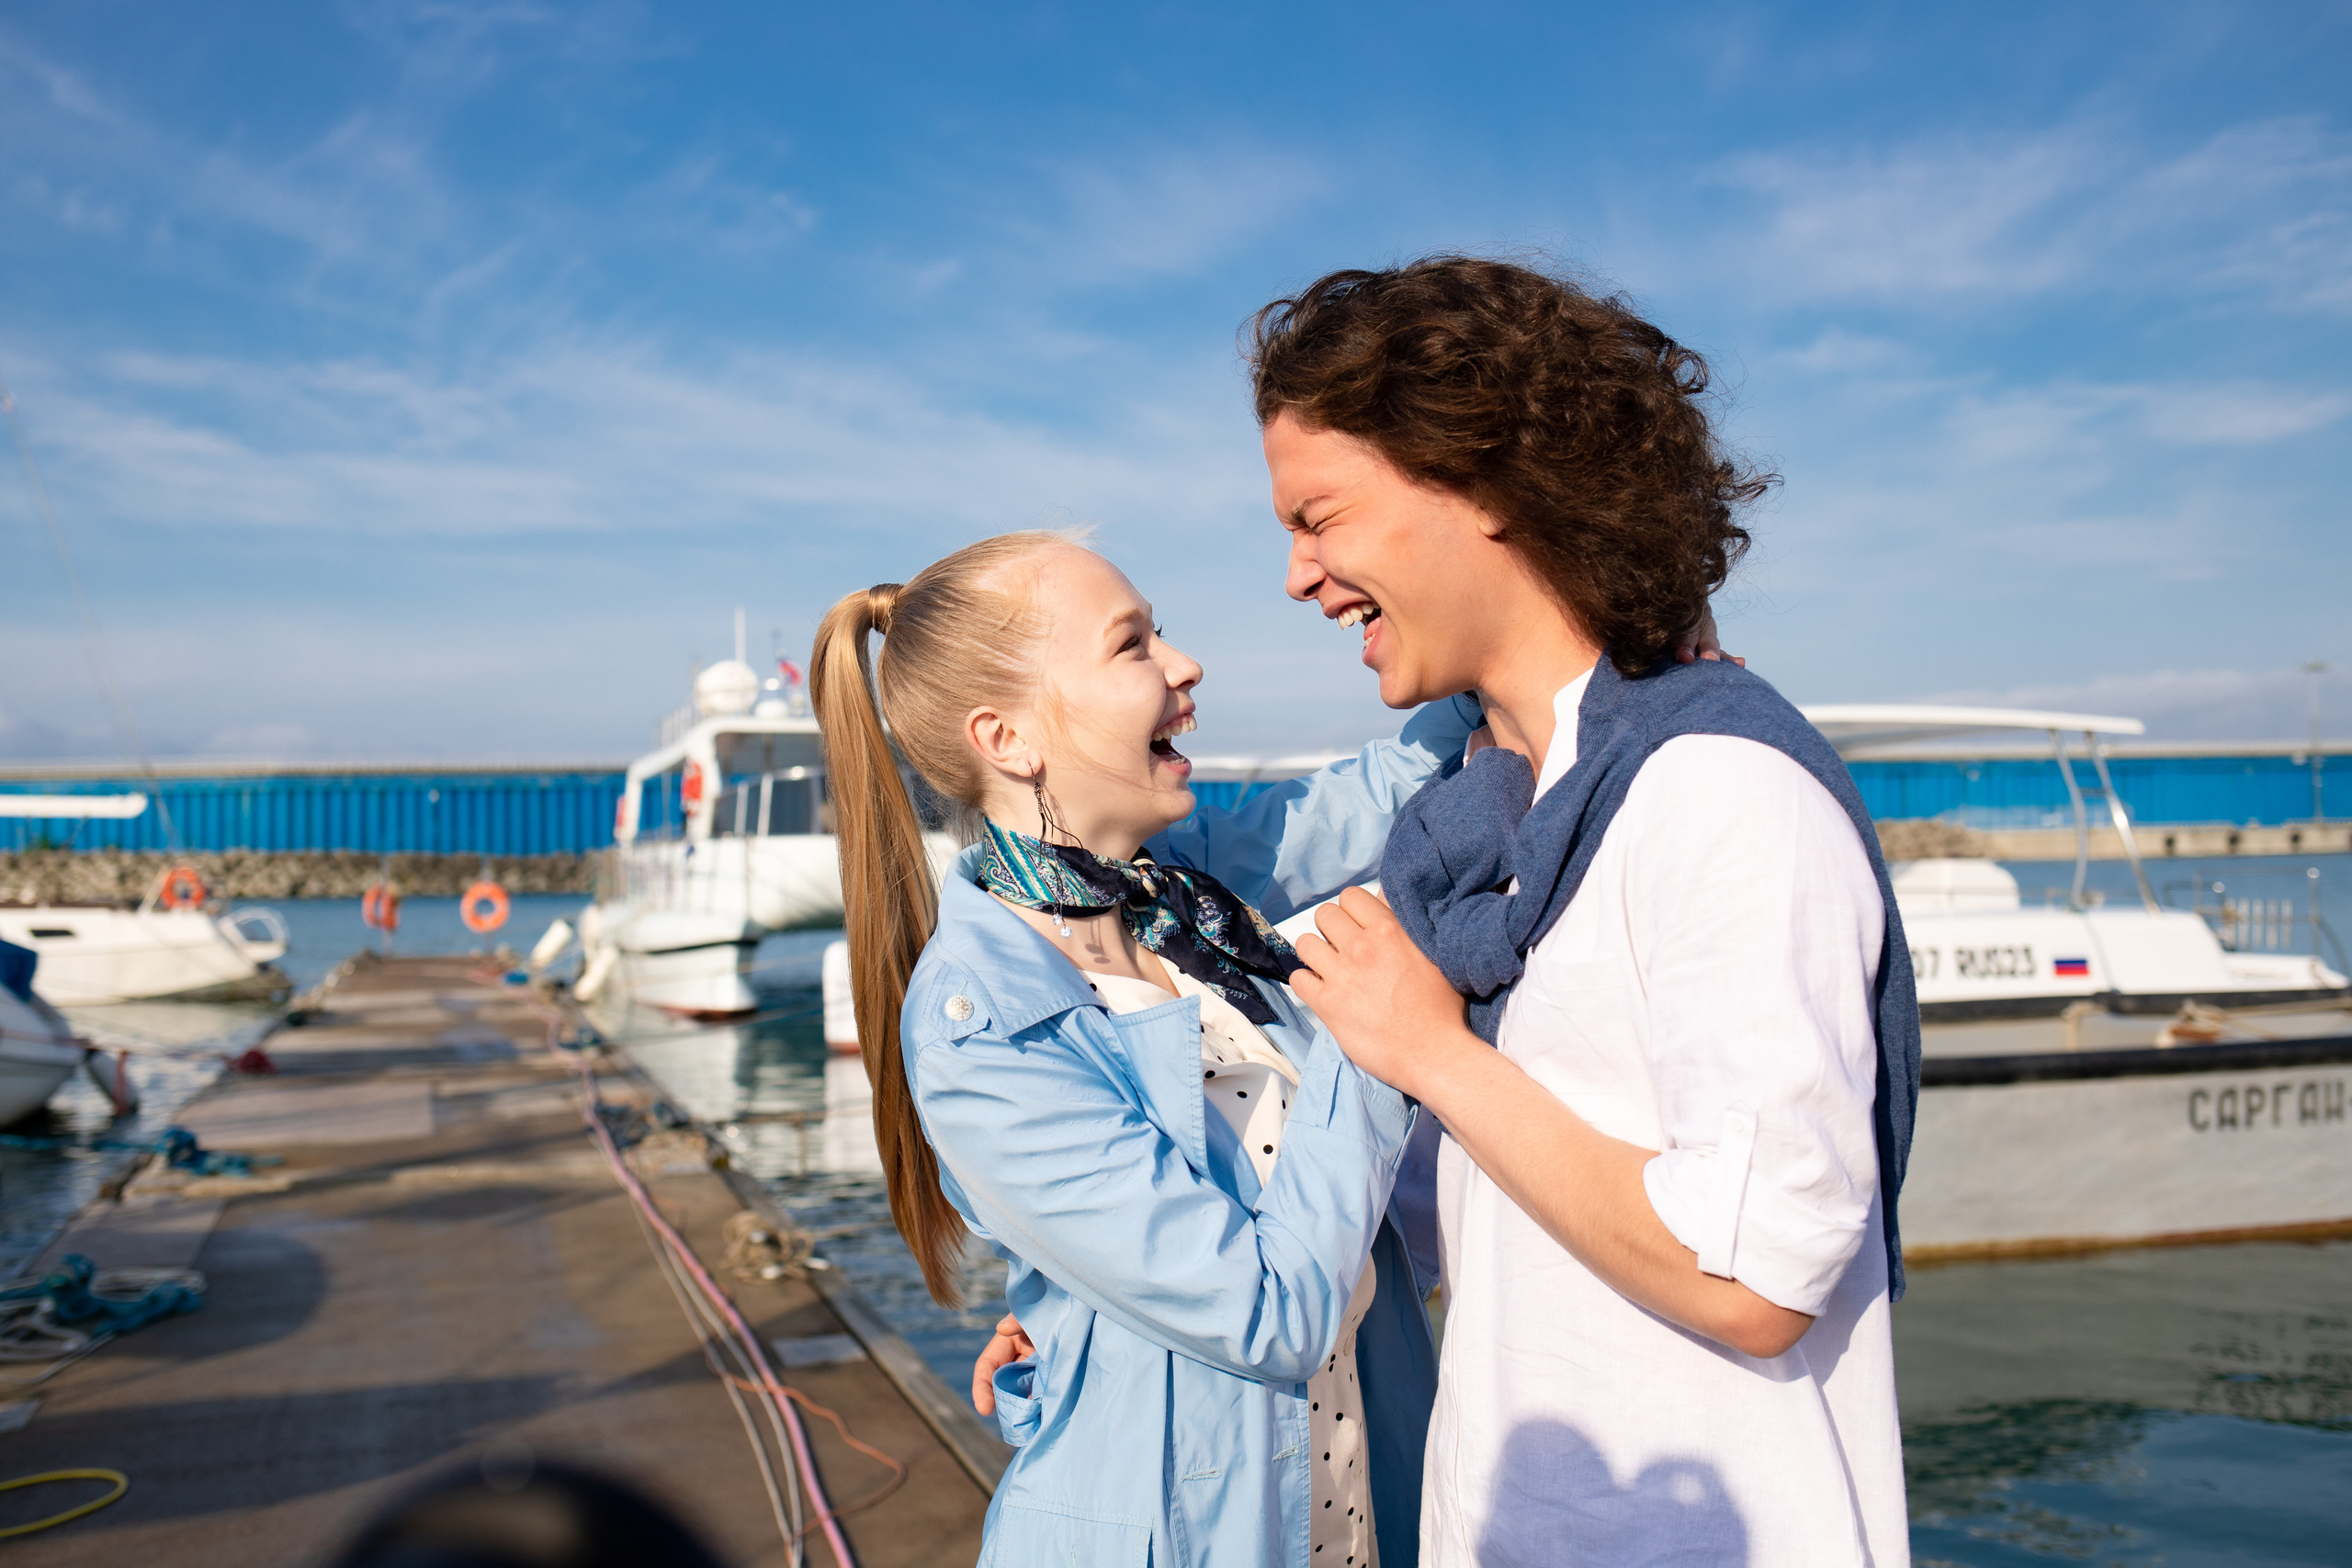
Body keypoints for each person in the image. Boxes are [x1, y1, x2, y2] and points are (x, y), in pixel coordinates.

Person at [1252, 257, 1920, 1567]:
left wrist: (1433, 1051)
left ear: (1484, 485)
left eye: (1319, 516)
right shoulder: (1491, 829)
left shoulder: (1718, 791)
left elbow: (1759, 1279)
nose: (1297, 576)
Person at [810, 532, 1481, 1568]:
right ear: (1009, 738)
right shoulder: (984, 1029)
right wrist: (1380, 1034)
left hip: (1367, 1509)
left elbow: (1367, 796)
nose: (1184, 663)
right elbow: (1269, 1316)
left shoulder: (1175, 892)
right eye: (1133, 645)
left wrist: (1527, 661)